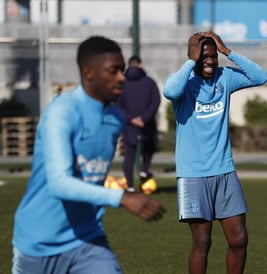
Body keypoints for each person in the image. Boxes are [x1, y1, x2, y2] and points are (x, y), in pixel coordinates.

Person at [11, 36, 165, 274]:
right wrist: (121, 197)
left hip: (87, 238)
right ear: (88, 73)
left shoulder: (116, 119)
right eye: (113, 71)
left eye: (122, 71)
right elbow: (59, 184)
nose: (121, 78)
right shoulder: (61, 113)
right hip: (39, 243)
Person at [163, 31, 267, 273]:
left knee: (239, 240)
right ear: (193, 57)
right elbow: (170, 92)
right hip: (193, 175)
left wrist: (228, 51)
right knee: (202, 242)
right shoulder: (183, 83)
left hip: (225, 171)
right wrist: (191, 61)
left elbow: (261, 77)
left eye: (213, 56)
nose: (209, 61)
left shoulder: (225, 78)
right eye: (203, 57)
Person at [116, 55, 160, 192]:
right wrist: (144, 118)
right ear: (140, 65)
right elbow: (155, 101)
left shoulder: (121, 83)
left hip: (129, 126)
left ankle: (130, 186)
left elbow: (117, 105)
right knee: (148, 149)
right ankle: (144, 170)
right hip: (147, 124)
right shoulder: (149, 82)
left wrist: (131, 119)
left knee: (129, 155)